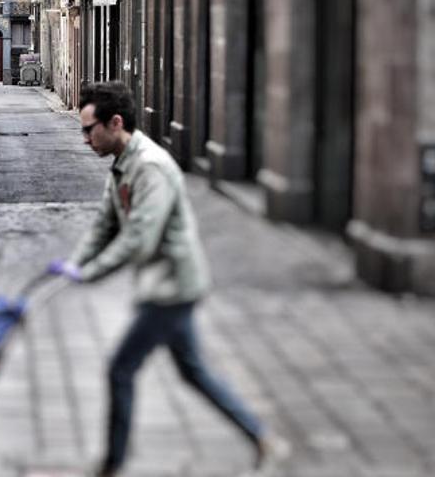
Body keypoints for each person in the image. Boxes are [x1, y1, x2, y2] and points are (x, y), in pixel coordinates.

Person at [47, 81, 289, 476]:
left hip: (172, 289)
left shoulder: (151, 168)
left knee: (120, 368)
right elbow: (105, 225)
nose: (85, 138)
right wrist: (74, 262)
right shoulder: (122, 164)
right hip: (163, 286)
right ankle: (263, 438)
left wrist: (89, 272)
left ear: (115, 123)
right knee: (194, 372)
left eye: (89, 129)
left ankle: (113, 464)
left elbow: (140, 239)